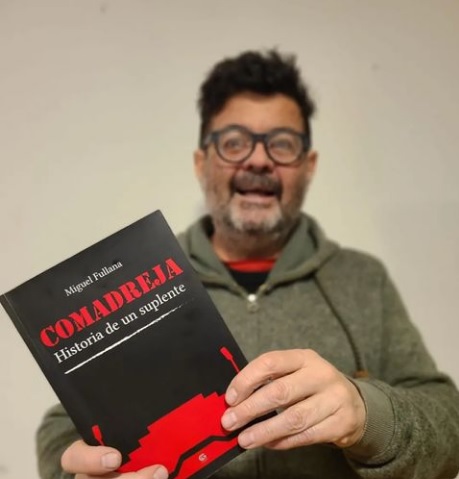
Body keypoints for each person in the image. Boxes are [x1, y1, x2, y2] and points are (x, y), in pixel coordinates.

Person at [36, 49, 459, 479]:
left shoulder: (364, 279)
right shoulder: (137, 284)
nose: (258, 160)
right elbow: (59, 430)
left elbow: (449, 426)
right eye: (234, 142)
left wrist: (367, 414)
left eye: (282, 144)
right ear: (201, 163)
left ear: (309, 167)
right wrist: (76, 471)